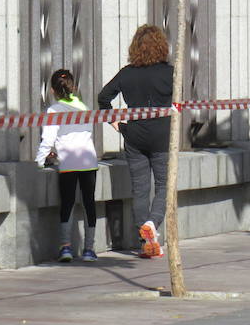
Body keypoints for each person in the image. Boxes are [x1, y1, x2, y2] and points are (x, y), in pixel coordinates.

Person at [98, 24, 173, 259]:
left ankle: (145, 242)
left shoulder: (127, 73)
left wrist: (117, 125)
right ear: (162, 46)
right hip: (162, 135)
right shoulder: (170, 72)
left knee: (140, 189)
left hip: (134, 136)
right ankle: (152, 224)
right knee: (163, 186)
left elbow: (103, 98)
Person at [35, 69, 99, 262]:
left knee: (68, 203)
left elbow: (48, 139)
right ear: (74, 87)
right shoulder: (84, 107)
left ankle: (66, 247)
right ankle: (89, 249)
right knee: (89, 202)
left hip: (68, 162)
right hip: (88, 159)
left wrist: (39, 161)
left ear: (52, 91)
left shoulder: (54, 110)